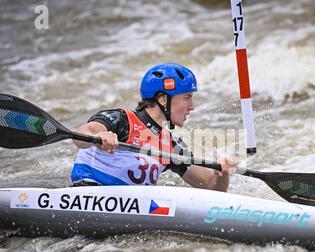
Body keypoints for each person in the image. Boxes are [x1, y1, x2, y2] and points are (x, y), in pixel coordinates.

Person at [71, 63, 236, 191]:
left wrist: (222, 173)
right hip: (87, 192)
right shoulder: (121, 119)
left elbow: (209, 186)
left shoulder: (171, 146)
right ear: (163, 99)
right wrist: (101, 136)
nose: (192, 106)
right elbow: (81, 134)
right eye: (187, 97)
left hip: (129, 211)